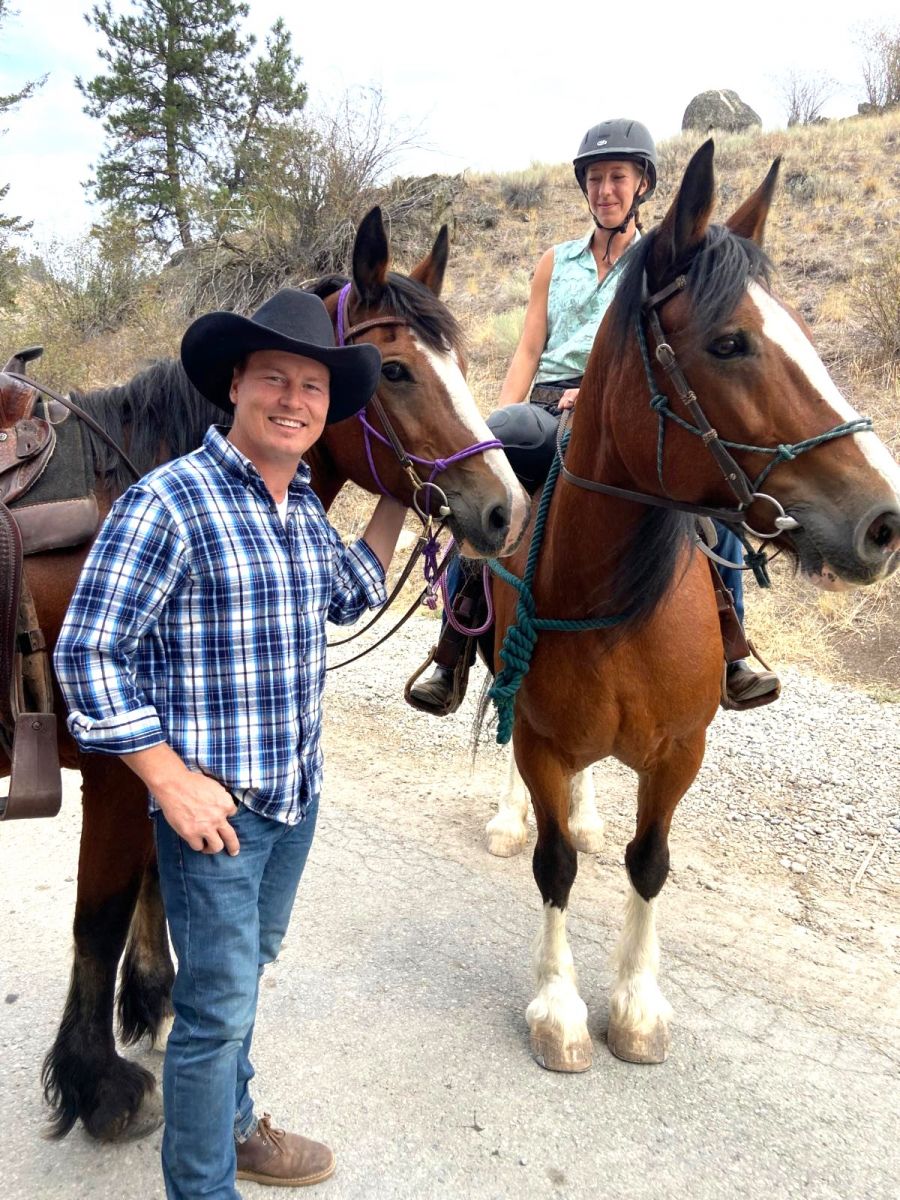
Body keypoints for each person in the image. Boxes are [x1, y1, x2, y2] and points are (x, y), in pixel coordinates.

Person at [54, 289, 408, 1199]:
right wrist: (166, 779)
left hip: (296, 798)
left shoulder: (297, 511)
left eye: (313, 388)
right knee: (213, 1017)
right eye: (275, 380)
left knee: (241, 978)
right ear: (235, 387)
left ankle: (237, 1123)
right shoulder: (169, 502)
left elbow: (349, 590)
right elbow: (88, 652)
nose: (295, 401)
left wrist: (404, 501)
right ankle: (204, 1184)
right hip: (216, 814)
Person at [406, 118, 779, 715]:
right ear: (585, 187)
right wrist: (505, 413)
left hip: (624, 408)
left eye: (619, 178)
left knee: (713, 491)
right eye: (596, 178)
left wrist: (604, 393)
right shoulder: (555, 262)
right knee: (482, 473)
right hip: (549, 407)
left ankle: (731, 646)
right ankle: (452, 648)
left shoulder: (660, 262)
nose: (606, 189)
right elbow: (530, 347)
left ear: (643, 185)